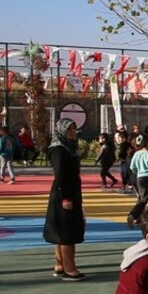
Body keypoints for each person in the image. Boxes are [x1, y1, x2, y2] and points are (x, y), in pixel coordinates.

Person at [44, 119, 86, 280]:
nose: (73, 131)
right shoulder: (58, 150)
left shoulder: (70, 147)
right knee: (67, 232)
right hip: (64, 194)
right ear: (62, 130)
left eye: (74, 128)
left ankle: (60, 265)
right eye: (69, 129)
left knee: (63, 231)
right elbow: (60, 174)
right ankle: (70, 269)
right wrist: (65, 197)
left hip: (71, 191)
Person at [126, 135, 148, 229]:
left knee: (143, 199)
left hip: (139, 178)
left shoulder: (137, 154)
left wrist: (138, 172)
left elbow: (132, 167)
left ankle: (133, 215)